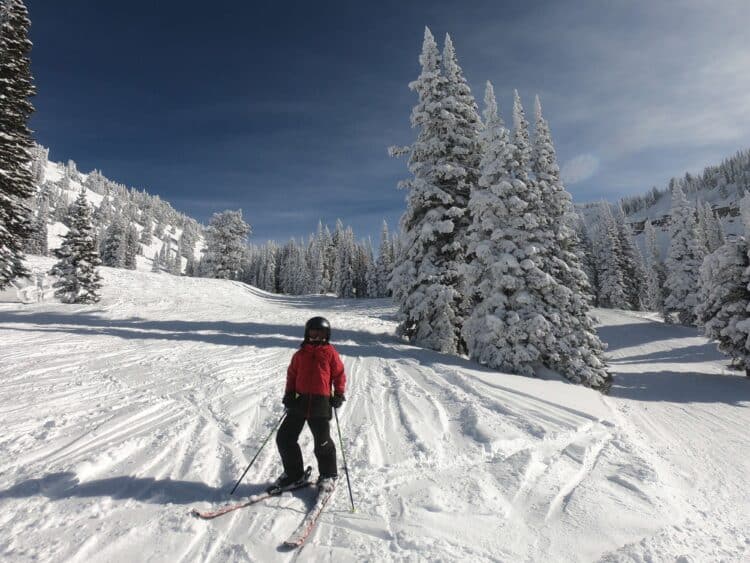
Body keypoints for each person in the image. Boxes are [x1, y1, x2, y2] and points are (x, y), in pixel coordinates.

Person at [271, 316, 346, 493]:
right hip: (301, 401)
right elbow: (292, 375)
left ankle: (328, 475)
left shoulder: (330, 353)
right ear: (307, 333)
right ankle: (293, 473)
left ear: (327, 335)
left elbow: (339, 374)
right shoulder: (299, 355)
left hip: (321, 403)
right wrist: (289, 394)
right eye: (313, 332)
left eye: (321, 333)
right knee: (284, 437)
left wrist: (339, 394)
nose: (316, 336)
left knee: (322, 442)